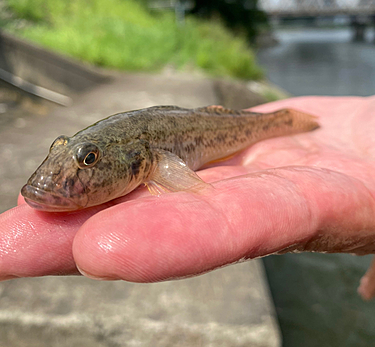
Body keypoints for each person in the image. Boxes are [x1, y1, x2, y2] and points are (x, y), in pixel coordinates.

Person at [1, 96, 375, 299]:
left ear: (140, 160)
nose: (71, 175)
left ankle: (286, 119)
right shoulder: (129, 150)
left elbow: (182, 180)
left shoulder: (147, 156)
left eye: (89, 160)